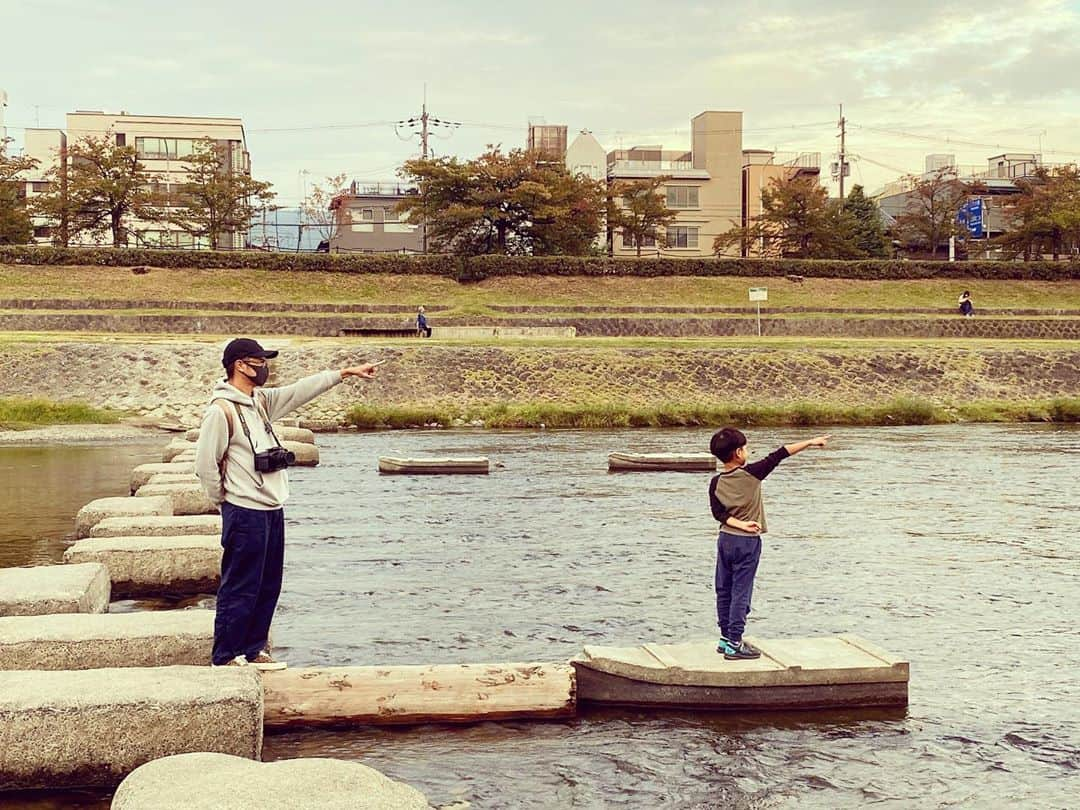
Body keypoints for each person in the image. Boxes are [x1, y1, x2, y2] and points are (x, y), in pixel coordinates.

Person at [195, 338, 380, 670]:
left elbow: (300, 390)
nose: (266, 367)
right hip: (243, 510)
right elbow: (205, 464)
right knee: (240, 585)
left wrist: (345, 373)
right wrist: (226, 499)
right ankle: (225, 657)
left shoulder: (261, 402)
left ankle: (254, 650)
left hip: (272, 508)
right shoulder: (220, 411)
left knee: (268, 584)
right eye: (260, 361)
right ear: (240, 365)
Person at [708, 428, 830, 660]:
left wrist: (738, 524)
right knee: (741, 592)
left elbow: (718, 514)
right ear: (738, 453)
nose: (748, 452)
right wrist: (812, 442)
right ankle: (735, 642)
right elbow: (781, 453)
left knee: (724, 590)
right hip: (747, 544)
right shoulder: (753, 474)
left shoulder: (715, 482)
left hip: (725, 540)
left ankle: (725, 639)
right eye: (746, 448)